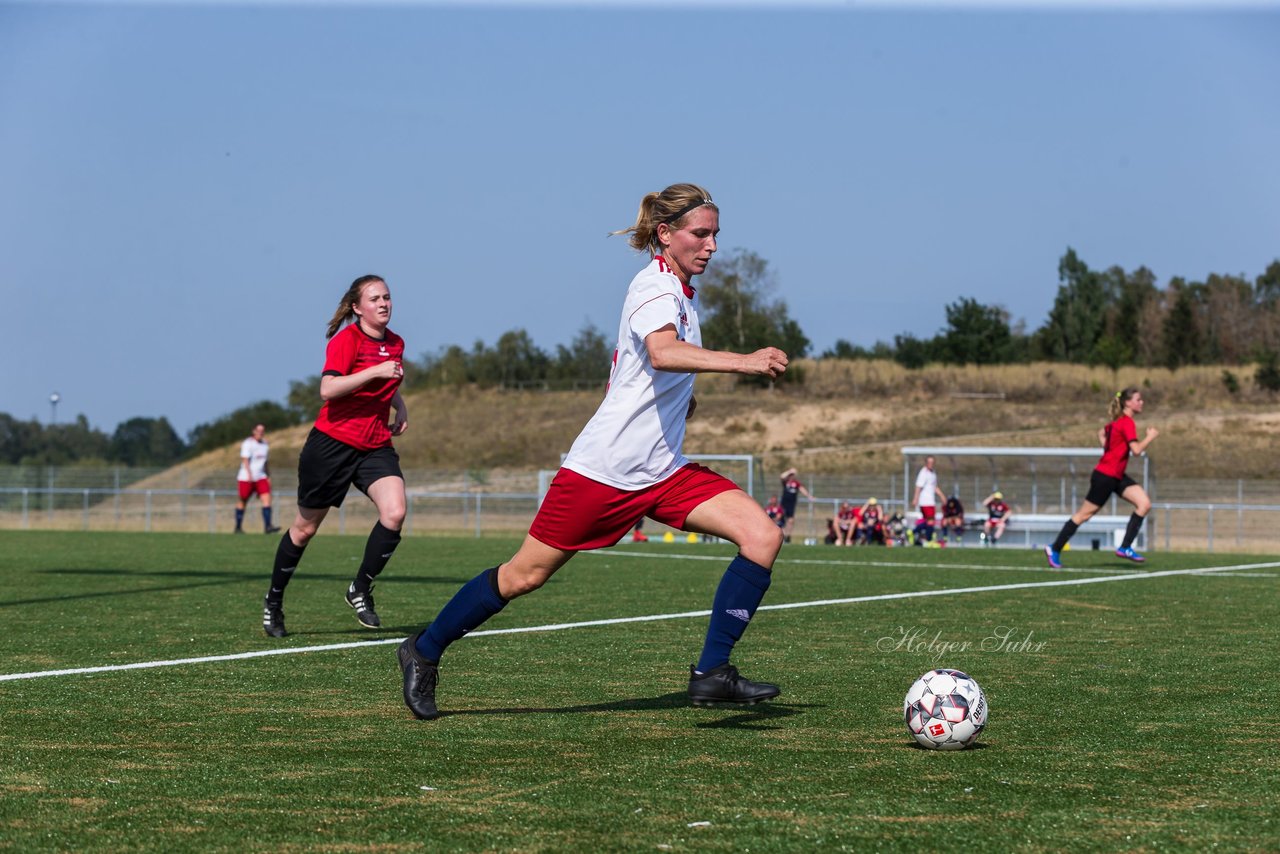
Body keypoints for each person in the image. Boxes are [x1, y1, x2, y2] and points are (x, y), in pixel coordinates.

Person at [397, 183, 790, 720]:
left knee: (762, 535)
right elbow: (663, 351)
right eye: (701, 234)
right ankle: (423, 650)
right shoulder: (653, 287)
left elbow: (649, 367)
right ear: (666, 234)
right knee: (523, 576)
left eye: (716, 234)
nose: (712, 246)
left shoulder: (681, 293)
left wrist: (681, 404)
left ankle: (711, 673)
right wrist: (743, 362)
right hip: (603, 472)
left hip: (661, 472)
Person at [261, 274, 410, 638]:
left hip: (374, 445)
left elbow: (384, 384)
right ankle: (274, 601)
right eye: (374, 299)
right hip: (332, 446)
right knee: (305, 529)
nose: (384, 303)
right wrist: (374, 370)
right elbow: (328, 388)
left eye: (387, 297)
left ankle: (360, 587)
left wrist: (400, 406)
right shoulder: (347, 340)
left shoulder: (396, 343)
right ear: (357, 308)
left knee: (395, 511)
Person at [1046, 387, 1160, 567]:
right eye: (1138, 399)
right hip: (1105, 476)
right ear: (1128, 403)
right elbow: (1136, 450)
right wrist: (1150, 437)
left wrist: (1110, 450)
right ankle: (1055, 547)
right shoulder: (1127, 422)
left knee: (1144, 504)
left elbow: (1101, 433)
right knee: (1084, 515)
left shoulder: (1116, 423)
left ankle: (1125, 547)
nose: (1141, 402)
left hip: (1116, 475)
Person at [234, 423, 280, 534]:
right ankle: (238, 527)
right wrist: (249, 475)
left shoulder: (265, 444)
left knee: (267, 499)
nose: (261, 433)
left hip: (261, 476)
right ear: (254, 431)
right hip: (246, 478)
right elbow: (245, 460)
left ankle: (268, 526)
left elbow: (265, 462)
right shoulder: (248, 443)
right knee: (242, 500)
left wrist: (268, 476)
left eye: (262, 431)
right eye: (258, 431)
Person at [911, 456, 946, 543]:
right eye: (929, 462)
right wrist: (915, 498)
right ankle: (927, 539)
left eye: (932, 462)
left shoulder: (933, 473)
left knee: (928, 521)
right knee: (930, 521)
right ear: (926, 463)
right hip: (925, 501)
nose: (931, 464)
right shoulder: (923, 473)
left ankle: (917, 534)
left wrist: (942, 496)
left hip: (931, 501)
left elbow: (934, 487)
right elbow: (918, 486)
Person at [779, 467, 812, 543]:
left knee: (791, 521)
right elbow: (781, 476)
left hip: (791, 504)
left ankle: (787, 536)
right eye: (791, 474)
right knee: (782, 520)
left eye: (793, 474)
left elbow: (802, 489)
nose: (792, 476)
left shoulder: (796, 483)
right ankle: (782, 536)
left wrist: (809, 496)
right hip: (784, 503)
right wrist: (789, 471)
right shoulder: (785, 481)